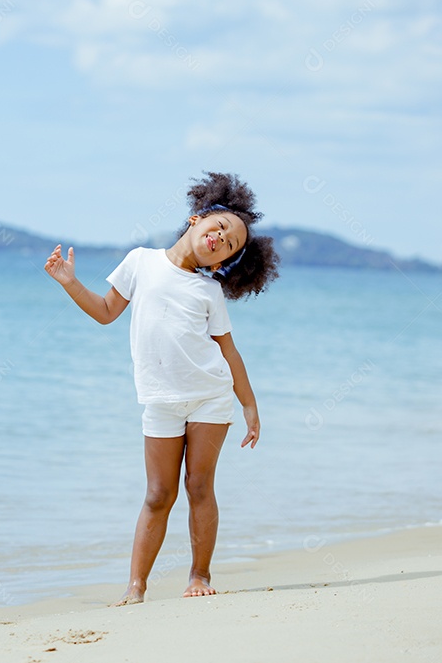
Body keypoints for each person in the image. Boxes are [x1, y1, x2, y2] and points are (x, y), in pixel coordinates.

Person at [44, 172, 279, 605]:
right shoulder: (140, 262)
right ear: (196, 219)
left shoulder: (209, 291)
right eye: (220, 228)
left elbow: (229, 352)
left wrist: (249, 405)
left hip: (210, 397)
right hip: (160, 401)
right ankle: (136, 587)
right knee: (157, 495)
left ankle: (198, 574)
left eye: (230, 246)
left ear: (221, 264)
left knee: (199, 486)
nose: (221, 239)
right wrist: (69, 281)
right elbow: (105, 312)